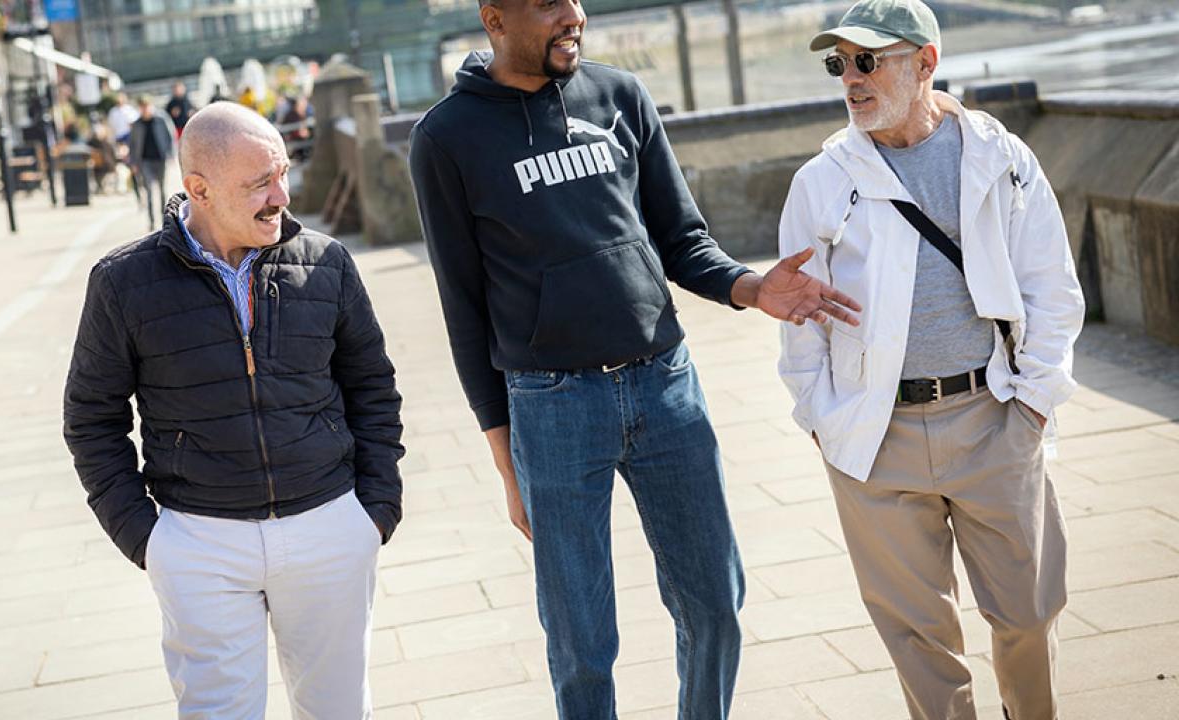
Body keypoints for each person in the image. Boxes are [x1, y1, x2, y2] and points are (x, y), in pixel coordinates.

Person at [407, 1, 862, 717]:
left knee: (716, 601)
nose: (574, 15)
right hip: (551, 405)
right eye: (549, 5)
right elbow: (463, 309)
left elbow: (681, 238)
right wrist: (506, 460)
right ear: (496, 19)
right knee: (581, 639)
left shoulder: (620, 95)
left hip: (666, 385)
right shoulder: (446, 137)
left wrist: (752, 288)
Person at [776, 1, 1085, 718]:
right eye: (839, 64)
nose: (850, 80)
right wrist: (824, 420)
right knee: (919, 639)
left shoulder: (1000, 155)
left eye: (867, 61)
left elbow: (1051, 286)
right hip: (875, 441)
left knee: (1030, 615)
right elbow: (798, 327)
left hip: (993, 419)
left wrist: (1033, 404)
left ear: (925, 63)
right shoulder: (820, 182)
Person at [63, 101, 403, 719]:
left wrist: (374, 510)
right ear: (199, 189)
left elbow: (373, 386)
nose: (282, 196)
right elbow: (91, 419)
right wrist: (147, 538)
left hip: (329, 526)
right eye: (259, 184)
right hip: (200, 542)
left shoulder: (326, 263)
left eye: (282, 173)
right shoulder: (122, 283)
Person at [127, 96, 178, 230]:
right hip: (145, 161)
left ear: (151, 106)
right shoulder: (137, 124)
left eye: (147, 107)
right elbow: (132, 144)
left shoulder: (161, 119)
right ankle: (151, 221)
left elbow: (170, 136)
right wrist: (133, 162)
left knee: (162, 190)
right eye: (142, 108)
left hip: (160, 158)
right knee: (149, 191)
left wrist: (171, 154)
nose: (145, 110)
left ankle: (164, 219)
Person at [107, 92, 142, 206]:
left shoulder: (130, 111)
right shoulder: (113, 112)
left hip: (129, 139)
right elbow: (112, 128)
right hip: (121, 140)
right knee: (127, 166)